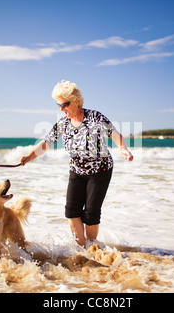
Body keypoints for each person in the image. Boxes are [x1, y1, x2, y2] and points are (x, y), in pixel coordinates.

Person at [20, 80, 133, 247]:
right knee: (72, 212)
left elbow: (114, 134)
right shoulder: (63, 124)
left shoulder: (95, 117)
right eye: (58, 105)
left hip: (100, 171)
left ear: (75, 102)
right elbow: (46, 143)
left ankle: (93, 247)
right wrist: (29, 156)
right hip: (77, 171)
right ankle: (81, 251)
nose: (61, 109)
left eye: (64, 104)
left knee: (91, 214)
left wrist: (123, 148)